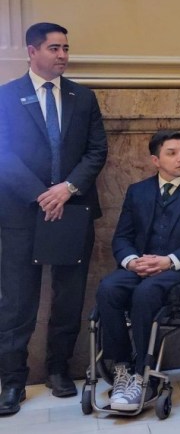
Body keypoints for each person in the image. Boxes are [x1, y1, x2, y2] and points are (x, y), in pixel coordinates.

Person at [0, 22, 107, 416]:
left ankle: (59, 370)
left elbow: (97, 151)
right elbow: (3, 155)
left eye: (66, 48)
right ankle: (11, 381)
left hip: (73, 210)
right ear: (32, 51)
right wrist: (42, 195)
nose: (63, 55)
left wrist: (67, 189)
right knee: (16, 301)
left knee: (68, 297)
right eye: (54, 48)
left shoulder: (83, 97)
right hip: (21, 214)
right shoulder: (6, 97)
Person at [96, 131, 180, 410]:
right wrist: (132, 261)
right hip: (141, 265)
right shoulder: (138, 191)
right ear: (155, 160)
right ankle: (123, 369)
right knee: (108, 287)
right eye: (172, 153)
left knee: (147, 293)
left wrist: (169, 260)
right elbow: (121, 237)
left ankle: (147, 375)